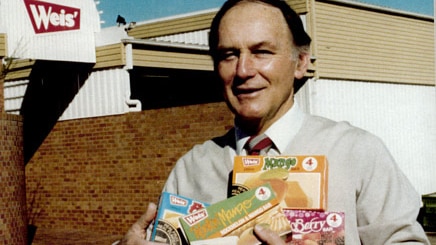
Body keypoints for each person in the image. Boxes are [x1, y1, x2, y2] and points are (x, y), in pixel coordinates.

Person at [120, 0, 430, 244]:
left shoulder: (356, 152)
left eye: (262, 51)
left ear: (301, 62)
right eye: (229, 54)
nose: (243, 70)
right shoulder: (192, 168)